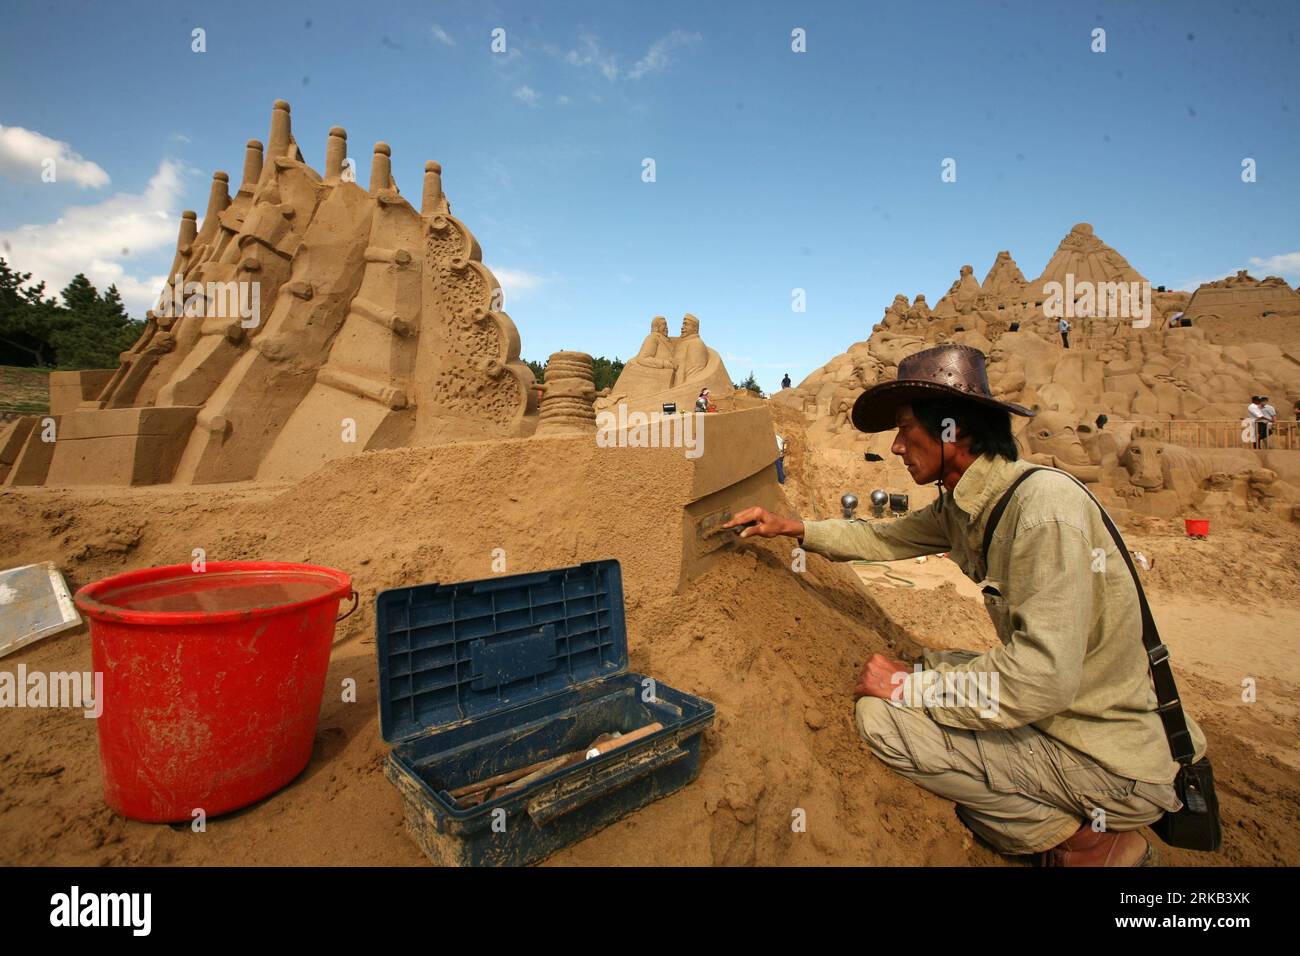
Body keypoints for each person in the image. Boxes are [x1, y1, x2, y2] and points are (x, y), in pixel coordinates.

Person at [724, 343, 1206, 867]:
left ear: (952, 430)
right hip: (1071, 715)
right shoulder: (970, 503)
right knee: (938, 666)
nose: (895, 448)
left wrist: (906, 688)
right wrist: (792, 527)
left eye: (905, 429)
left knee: (883, 722)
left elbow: (1041, 679)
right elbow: (884, 540)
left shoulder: (1043, 512)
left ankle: (1090, 844)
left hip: (1110, 756)